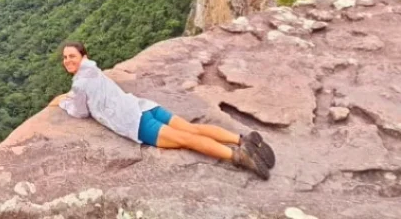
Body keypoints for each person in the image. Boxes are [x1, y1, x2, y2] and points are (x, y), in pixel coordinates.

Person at [49, 41, 275, 179]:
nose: (67, 60)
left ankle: (238, 156)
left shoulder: (80, 83)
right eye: (65, 57)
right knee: (191, 129)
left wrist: (63, 102)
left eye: (72, 56)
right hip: (145, 106)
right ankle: (242, 139)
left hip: (135, 122)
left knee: (186, 139)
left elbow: (79, 111)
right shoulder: (93, 69)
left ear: (83, 57)